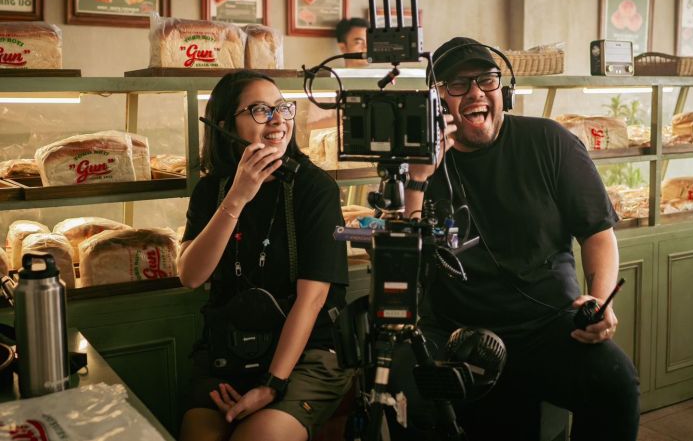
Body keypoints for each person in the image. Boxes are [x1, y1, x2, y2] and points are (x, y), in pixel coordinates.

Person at [388, 37, 640, 440]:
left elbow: (598, 232)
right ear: (437, 100)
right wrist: (418, 178)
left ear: (503, 90)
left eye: (486, 80)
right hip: (453, 331)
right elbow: (404, 263)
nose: (475, 93)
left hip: (547, 325)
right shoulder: (422, 161)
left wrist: (599, 296)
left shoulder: (550, 142)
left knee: (615, 382)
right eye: (457, 84)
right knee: (408, 389)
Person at [178, 70, 353, 441]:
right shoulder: (212, 190)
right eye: (259, 110)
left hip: (305, 354)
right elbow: (190, 275)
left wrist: (272, 384)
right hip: (230, 353)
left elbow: (313, 299)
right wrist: (237, 197)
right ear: (225, 125)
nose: (277, 120)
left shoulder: (315, 188)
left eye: (282, 108)